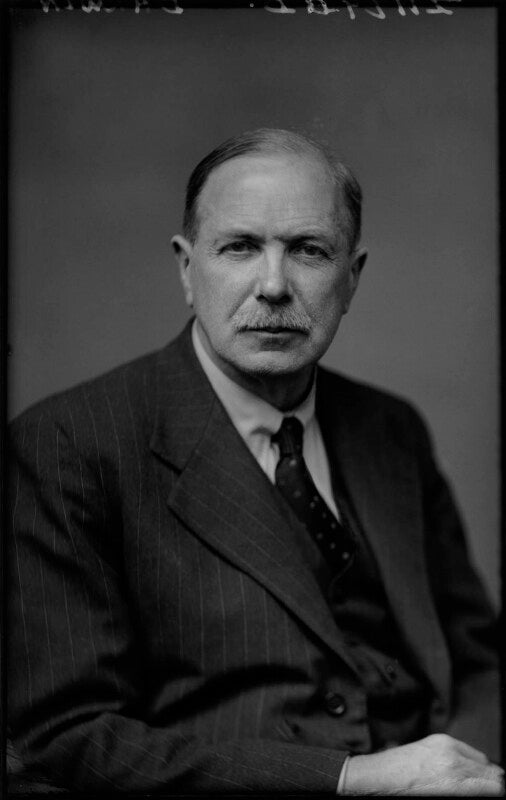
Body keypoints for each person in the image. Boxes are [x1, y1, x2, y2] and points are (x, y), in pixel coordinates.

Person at [8, 128, 502, 795]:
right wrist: (352, 779)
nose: (273, 286)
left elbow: (478, 660)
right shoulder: (67, 445)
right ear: (188, 270)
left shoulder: (393, 430)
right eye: (239, 247)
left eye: (308, 250)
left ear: (351, 278)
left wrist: (468, 772)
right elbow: (68, 734)